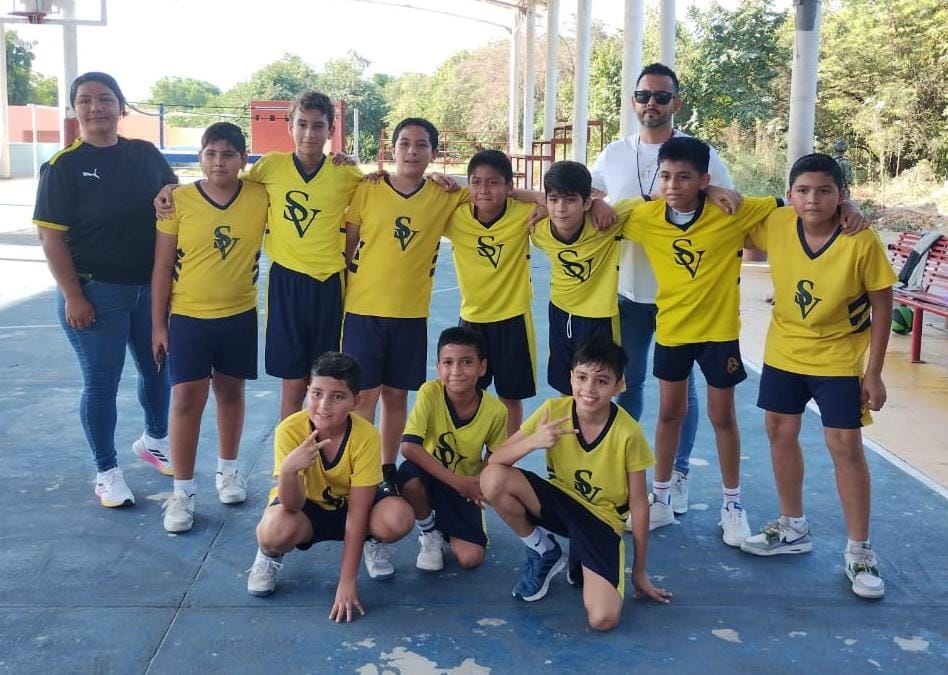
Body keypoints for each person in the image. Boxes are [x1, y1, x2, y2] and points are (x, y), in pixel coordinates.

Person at [740, 154, 894, 600]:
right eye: (803, 190)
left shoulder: (860, 239)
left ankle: (860, 549)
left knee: (844, 444)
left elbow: (883, 305)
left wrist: (874, 372)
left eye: (825, 191)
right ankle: (793, 526)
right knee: (779, 430)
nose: (813, 199)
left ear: (841, 195)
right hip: (785, 349)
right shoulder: (777, 222)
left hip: (838, 356)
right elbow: (723, 214)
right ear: (789, 194)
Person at [155, 91, 362, 422]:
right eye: (302, 124)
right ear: (290, 127)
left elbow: (379, 192)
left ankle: (323, 450)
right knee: (293, 384)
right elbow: (222, 182)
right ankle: (287, 454)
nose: (309, 133)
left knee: (325, 381)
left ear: (331, 130)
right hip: (286, 283)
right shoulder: (271, 167)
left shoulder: (346, 175)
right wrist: (174, 189)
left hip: (328, 285)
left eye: (318, 126)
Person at [621, 136, 781, 545]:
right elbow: (598, 209)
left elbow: (789, 203)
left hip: (718, 334)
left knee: (722, 416)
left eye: (684, 177)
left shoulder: (731, 211)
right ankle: (660, 500)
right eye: (666, 176)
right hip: (673, 332)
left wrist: (848, 207)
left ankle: (732, 505)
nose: (673, 185)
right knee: (669, 413)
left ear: (703, 180)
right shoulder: (646, 216)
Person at [591, 63, 735, 516]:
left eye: (661, 96)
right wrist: (596, 203)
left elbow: (729, 200)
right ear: (633, 102)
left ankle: (678, 475)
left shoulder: (700, 154)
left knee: (682, 392)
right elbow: (586, 195)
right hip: (630, 292)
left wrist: (710, 194)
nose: (651, 103)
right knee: (627, 382)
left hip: (688, 299)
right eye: (643, 96)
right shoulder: (615, 153)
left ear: (676, 102)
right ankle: (624, 466)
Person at [33, 72, 177, 507]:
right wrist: (74, 295)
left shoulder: (144, 154)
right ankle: (107, 471)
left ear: (121, 106)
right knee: (101, 382)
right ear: (75, 109)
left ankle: (155, 440)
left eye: (105, 99)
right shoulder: (64, 167)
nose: (96, 107)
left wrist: (170, 192)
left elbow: (174, 194)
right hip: (96, 292)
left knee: (158, 368)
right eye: (85, 100)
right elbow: (51, 239)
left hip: (148, 287)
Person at [480, 336, 671, 632]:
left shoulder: (628, 433)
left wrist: (640, 571)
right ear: (571, 378)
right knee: (492, 478)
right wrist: (533, 441)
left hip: (601, 521)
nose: (589, 389)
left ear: (618, 385)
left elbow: (638, 503)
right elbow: (496, 459)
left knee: (603, 619)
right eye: (582, 378)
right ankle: (543, 549)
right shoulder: (553, 411)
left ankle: (582, 557)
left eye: (601, 381)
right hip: (559, 502)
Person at [151, 122, 268, 532]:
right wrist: (158, 324)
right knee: (186, 399)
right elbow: (162, 265)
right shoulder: (178, 200)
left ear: (243, 159)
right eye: (211, 153)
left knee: (231, 393)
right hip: (189, 317)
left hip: (239, 314)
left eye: (229, 154)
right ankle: (182, 493)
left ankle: (228, 471)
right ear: (200, 157)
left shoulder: (260, 195)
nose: (219, 162)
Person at [343, 118, 470, 493]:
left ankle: (385, 469)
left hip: (410, 314)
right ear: (393, 149)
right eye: (404, 144)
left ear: (433, 152)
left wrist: (543, 198)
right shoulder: (369, 188)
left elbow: (490, 187)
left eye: (421, 145)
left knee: (396, 396)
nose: (412, 151)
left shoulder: (443, 195)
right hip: (363, 310)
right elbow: (348, 245)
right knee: (363, 396)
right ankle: (359, 468)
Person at [246, 352, 414, 621]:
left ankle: (373, 540)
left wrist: (347, 581)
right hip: (307, 508)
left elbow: (358, 512)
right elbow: (292, 505)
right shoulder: (289, 430)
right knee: (273, 531)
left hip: (352, 508)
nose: (324, 405)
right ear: (307, 391)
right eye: (317, 393)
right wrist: (289, 470)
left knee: (399, 517)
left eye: (337, 396)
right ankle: (268, 556)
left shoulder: (366, 436)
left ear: (356, 401)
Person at [397, 327, 508, 572]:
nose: (456, 371)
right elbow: (409, 447)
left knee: (470, 558)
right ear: (438, 367)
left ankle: (454, 523)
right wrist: (459, 482)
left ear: (482, 367)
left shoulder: (496, 411)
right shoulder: (430, 392)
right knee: (407, 476)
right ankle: (429, 532)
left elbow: (495, 454)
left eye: (466, 362)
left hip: (465, 488)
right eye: (448, 362)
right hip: (433, 477)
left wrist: (478, 483)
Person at [443, 150, 538, 435]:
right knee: (466, 393)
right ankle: (470, 453)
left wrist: (539, 203)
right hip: (472, 320)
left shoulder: (522, 213)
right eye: (476, 182)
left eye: (493, 182)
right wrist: (439, 178)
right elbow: (424, 195)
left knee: (510, 397)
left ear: (509, 187)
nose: (484, 189)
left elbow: (554, 198)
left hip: (513, 319)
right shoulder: (455, 216)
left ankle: (506, 456)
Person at [529, 161, 641, 396]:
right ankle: (569, 422)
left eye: (570, 200)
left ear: (586, 202)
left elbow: (656, 197)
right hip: (560, 313)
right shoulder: (539, 230)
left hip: (598, 318)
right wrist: (541, 202)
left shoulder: (607, 222)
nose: (561, 208)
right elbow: (512, 194)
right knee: (566, 386)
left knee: (598, 388)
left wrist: (600, 202)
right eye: (554, 200)